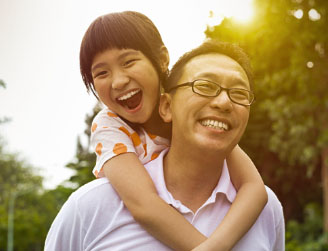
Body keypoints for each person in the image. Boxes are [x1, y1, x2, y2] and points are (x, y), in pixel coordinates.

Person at [45, 12, 272, 250]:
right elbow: (144, 206)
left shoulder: (193, 114)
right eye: (102, 73)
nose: (118, 81)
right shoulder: (110, 126)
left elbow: (254, 189)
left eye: (128, 62)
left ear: (162, 58)